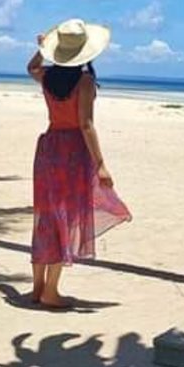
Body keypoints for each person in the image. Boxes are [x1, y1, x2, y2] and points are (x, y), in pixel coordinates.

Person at [26, 18, 132, 308]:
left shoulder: (47, 77)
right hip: (72, 150)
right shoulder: (84, 82)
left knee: (46, 216)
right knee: (67, 216)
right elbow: (86, 125)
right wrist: (100, 164)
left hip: (49, 147)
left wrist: (41, 49)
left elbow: (31, 68)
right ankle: (51, 291)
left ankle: (37, 288)